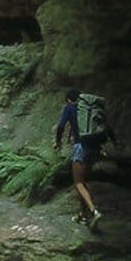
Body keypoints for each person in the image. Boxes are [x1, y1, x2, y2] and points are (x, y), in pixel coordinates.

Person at [53, 88, 117, 230]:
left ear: (69, 99)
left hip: (80, 148)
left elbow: (61, 126)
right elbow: (107, 127)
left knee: (79, 183)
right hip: (94, 149)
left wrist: (57, 142)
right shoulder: (93, 109)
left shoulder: (70, 108)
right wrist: (115, 143)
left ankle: (94, 211)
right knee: (84, 182)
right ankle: (82, 214)